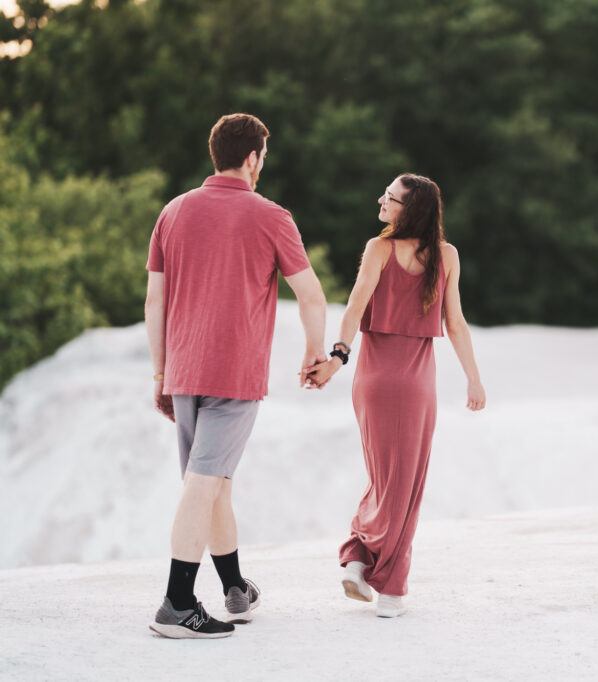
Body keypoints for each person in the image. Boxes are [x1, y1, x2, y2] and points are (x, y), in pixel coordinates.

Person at [145, 113, 328, 638]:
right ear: (252, 158)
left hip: (182, 370)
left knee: (213, 482)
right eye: (263, 158)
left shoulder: (173, 211)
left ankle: (235, 588)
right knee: (204, 486)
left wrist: (160, 372)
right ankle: (177, 604)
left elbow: (154, 300)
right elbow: (311, 295)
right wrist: (316, 354)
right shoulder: (271, 215)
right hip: (233, 374)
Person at [305, 173, 485, 618]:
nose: (381, 201)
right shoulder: (446, 255)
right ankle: (390, 591)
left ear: (412, 209)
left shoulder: (378, 248)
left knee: (384, 478)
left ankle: (357, 558)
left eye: (392, 198)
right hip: (415, 380)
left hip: (371, 377)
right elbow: (456, 323)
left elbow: (355, 303)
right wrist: (474, 379)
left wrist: (336, 358)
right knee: (406, 485)